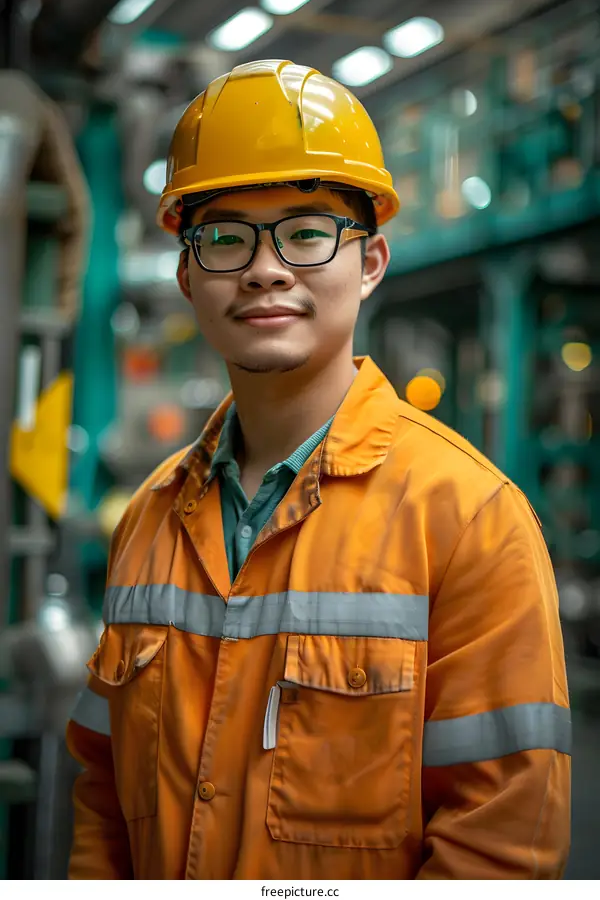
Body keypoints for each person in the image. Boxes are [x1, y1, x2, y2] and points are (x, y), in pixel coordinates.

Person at [66, 59, 571, 880]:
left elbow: (499, 848)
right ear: (188, 274)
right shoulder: (149, 519)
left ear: (369, 263)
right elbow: (101, 791)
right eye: (226, 236)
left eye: (305, 232)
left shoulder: (469, 518)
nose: (266, 268)